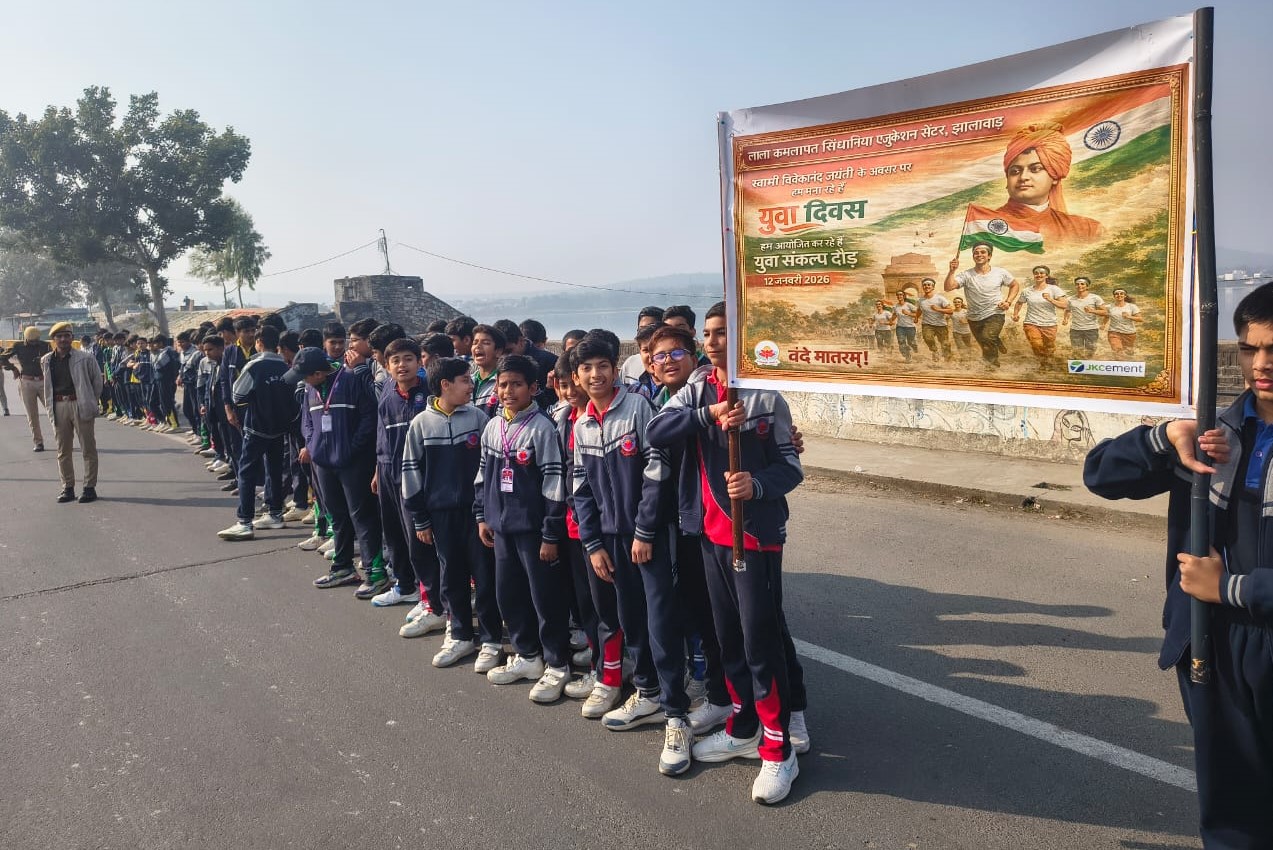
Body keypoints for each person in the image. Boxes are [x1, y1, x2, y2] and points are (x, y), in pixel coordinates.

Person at [1083, 281, 1273, 848]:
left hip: (1253, 617)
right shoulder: (1216, 433)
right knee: (1231, 804)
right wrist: (1163, 439)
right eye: (1250, 348)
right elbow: (1101, 475)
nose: (1261, 364)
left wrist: (1232, 587)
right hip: (1210, 642)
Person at [647, 301, 808, 805]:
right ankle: (742, 727)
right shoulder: (696, 389)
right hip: (710, 535)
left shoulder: (765, 395)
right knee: (728, 638)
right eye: (710, 334)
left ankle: (779, 749)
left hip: (753, 535)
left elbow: (791, 467)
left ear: (740, 339)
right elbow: (656, 431)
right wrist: (708, 415)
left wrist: (755, 485)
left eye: (724, 333)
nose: (715, 342)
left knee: (762, 641)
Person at [571, 334, 691, 775]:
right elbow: (581, 490)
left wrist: (644, 531)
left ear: (615, 368)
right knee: (630, 618)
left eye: (603, 365)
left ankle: (677, 715)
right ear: (576, 377)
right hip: (610, 541)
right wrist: (593, 544)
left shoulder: (638, 408)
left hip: (649, 537)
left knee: (661, 622)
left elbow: (657, 474)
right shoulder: (582, 425)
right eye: (586, 369)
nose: (596, 375)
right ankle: (648, 693)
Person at [473, 353, 573, 703]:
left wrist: (550, 532)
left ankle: (557, 663)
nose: (508, 391)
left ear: (533, 388)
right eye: (503, 385)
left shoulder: (542, 428)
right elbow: (483, 475)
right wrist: (482, 515)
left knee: (545, 598)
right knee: (509, 594)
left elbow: (554, 483)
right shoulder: (492, 426)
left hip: (534, 532)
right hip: (501, 529)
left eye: (516, 384)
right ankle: (527, 655)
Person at [402, 356, 501, 669]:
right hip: (441, 515)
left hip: (476, 514)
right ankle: (459, 634)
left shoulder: (478, 418)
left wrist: (487, 509)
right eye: (464, 381)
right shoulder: (421, 424)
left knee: (485, 575)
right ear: (445, 385)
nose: (471, 386)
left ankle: (491, 639)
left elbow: (490, 468)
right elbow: (411, 473)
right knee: (451, 574)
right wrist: (420, 518)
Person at [292, 347, 388, 594]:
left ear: (318, 373)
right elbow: (307, 421)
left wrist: (352, 448)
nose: (303, 382)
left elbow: (369, 418)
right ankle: (343, 567)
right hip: (323, 463)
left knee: (362, 516)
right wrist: (312, 445)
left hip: (353, 462)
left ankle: (376, 573)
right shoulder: (310, 389)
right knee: (337, 516)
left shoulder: (351, 380)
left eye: (306, 376)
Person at [369, 337, 444, 630]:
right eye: (395, 361)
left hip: (418, 478)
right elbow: (382, 436)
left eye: (408, 359)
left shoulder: (429, 393)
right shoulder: (388, 395)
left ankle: (433, 602)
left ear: (419, 361)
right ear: (387, 366)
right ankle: (408, 588)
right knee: (396, 535)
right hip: (389, 472)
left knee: (420, 542)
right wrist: (378, 471)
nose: (402, 365)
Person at [218, 325, 299, 540]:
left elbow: (237, 394)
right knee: (274, 469)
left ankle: (244, 520)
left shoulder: (255, 365)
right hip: (279, 427)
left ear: (259, 342)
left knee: (246, 472)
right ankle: (275, 513)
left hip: (256, 426)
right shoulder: (285, 366)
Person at [996, 122, 1104, 245]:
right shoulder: (986, 225)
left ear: (1055, 176)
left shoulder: (1088, 229)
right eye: (1015, 171)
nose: (1023, 177)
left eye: (1035, 169)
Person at [41, 322, 103, 503]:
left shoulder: (85, 358)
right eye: (59, 336)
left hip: (80, 404)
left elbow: (97, 383)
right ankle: (68, 488)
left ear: (72, 338)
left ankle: (89, 488)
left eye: (66, 336)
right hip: (58, 405)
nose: (63, 339)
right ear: (53, 340)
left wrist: (89, 401)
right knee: (63, 450)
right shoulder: (46, 360)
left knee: (88, 448)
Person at [944, 242, 1020, 370]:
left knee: (987, 337)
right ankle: (996, 342)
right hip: (974, 317)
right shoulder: (966, 275)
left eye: (983, 252)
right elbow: (948, 287)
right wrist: (952, 271)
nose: (979, 255)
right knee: (984, 343)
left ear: (989, 256)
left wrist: (1008, 301)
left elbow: (1015, 285)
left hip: (995, 313)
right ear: (973, 256)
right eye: (976, 253)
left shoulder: (1000, 272)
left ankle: (992, 366)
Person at [1012, 265, 1068, 370]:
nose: (1039, 275)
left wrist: (1050, 299)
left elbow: (1065, 305)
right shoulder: (1027, 291)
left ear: (1046, 275)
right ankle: (1043, 364)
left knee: (1049, 347)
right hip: (1031, 323)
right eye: (1036, 273)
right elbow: (1019, 303)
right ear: (1034, 275)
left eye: (1042, 273)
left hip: (1049, 324)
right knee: (1036, 344)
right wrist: (1015, 314)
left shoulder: (1054, 289)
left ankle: (1047, 363)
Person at [3, 326, 50, 450]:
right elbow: (2, 357)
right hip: (26, 382)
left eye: (36, 340)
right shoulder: (18, 346)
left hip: (43, 381)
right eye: (32, 341)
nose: (34, 343)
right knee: (32, 415)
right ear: (26, 338)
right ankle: (38, 442)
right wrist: (13, 368)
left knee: (53, 412)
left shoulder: (45, 345)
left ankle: (61, 439)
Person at [620, 306, 666, 384]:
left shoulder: (673, 365)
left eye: (651, 328)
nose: (646, 333)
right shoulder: (630, 363)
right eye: (642, 329)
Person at [1063, 276, 1104, 359]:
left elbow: (1105, 312)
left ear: (1087, 286)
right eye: (1077, 284)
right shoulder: (1070, 299)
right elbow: (1067, 310)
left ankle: (1088, 364)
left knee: (1090, 351)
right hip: (1075, 329)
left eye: (1082, 284)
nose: (1079, 286)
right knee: (1077, 352)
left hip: (1091, 329)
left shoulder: (1095, 298)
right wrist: (1065, 319)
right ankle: (1079, 365)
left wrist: (1092, 311)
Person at [1095, 288, 1143, 359]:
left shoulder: (1132, 306)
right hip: (1114, 332)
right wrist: (1103, 324)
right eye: (1116, 294)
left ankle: (1128, 363)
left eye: (1121, 294)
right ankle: (1118, 362)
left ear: (1125, 296)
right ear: (1114, 296)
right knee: (1117, 351)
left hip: (1129, 333)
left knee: (1128, 353)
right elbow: (1106, 315)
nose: (1119, 295)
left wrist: (1129, 316)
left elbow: (1140, 319)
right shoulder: (1109, 307)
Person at [470, 324, 505, 417]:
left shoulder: (502, 383)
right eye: (475, 343)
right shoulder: (467, 381)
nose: (478, 346)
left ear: (498, 351)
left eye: (485, 343)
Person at [917, 279, 955, 363]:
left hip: (941, 325)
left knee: (945, 343)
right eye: (924, 285)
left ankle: (947, 359)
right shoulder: (920, 300)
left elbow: (951, 310)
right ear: (923, 287)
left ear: (933, 287)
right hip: (927, 324)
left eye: (929, 285)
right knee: (927, 338)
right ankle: (935, 351)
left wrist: (938, 309)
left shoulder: (940, 298)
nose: (926, 286)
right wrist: (916, 317)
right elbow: (919, 310)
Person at [890, 289, 918, 363]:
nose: (899, 296)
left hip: (910, 327)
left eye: (901, 295)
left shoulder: (909, 305)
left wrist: (908, 313)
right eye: (898, 295)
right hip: (900, 327)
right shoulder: (895, 307)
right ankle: (907, 356)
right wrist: (891, 320)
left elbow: (918, 314)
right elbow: (894, 315)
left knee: (910, 342)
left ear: (904, 296)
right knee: (901, 342)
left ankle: (914, 346)